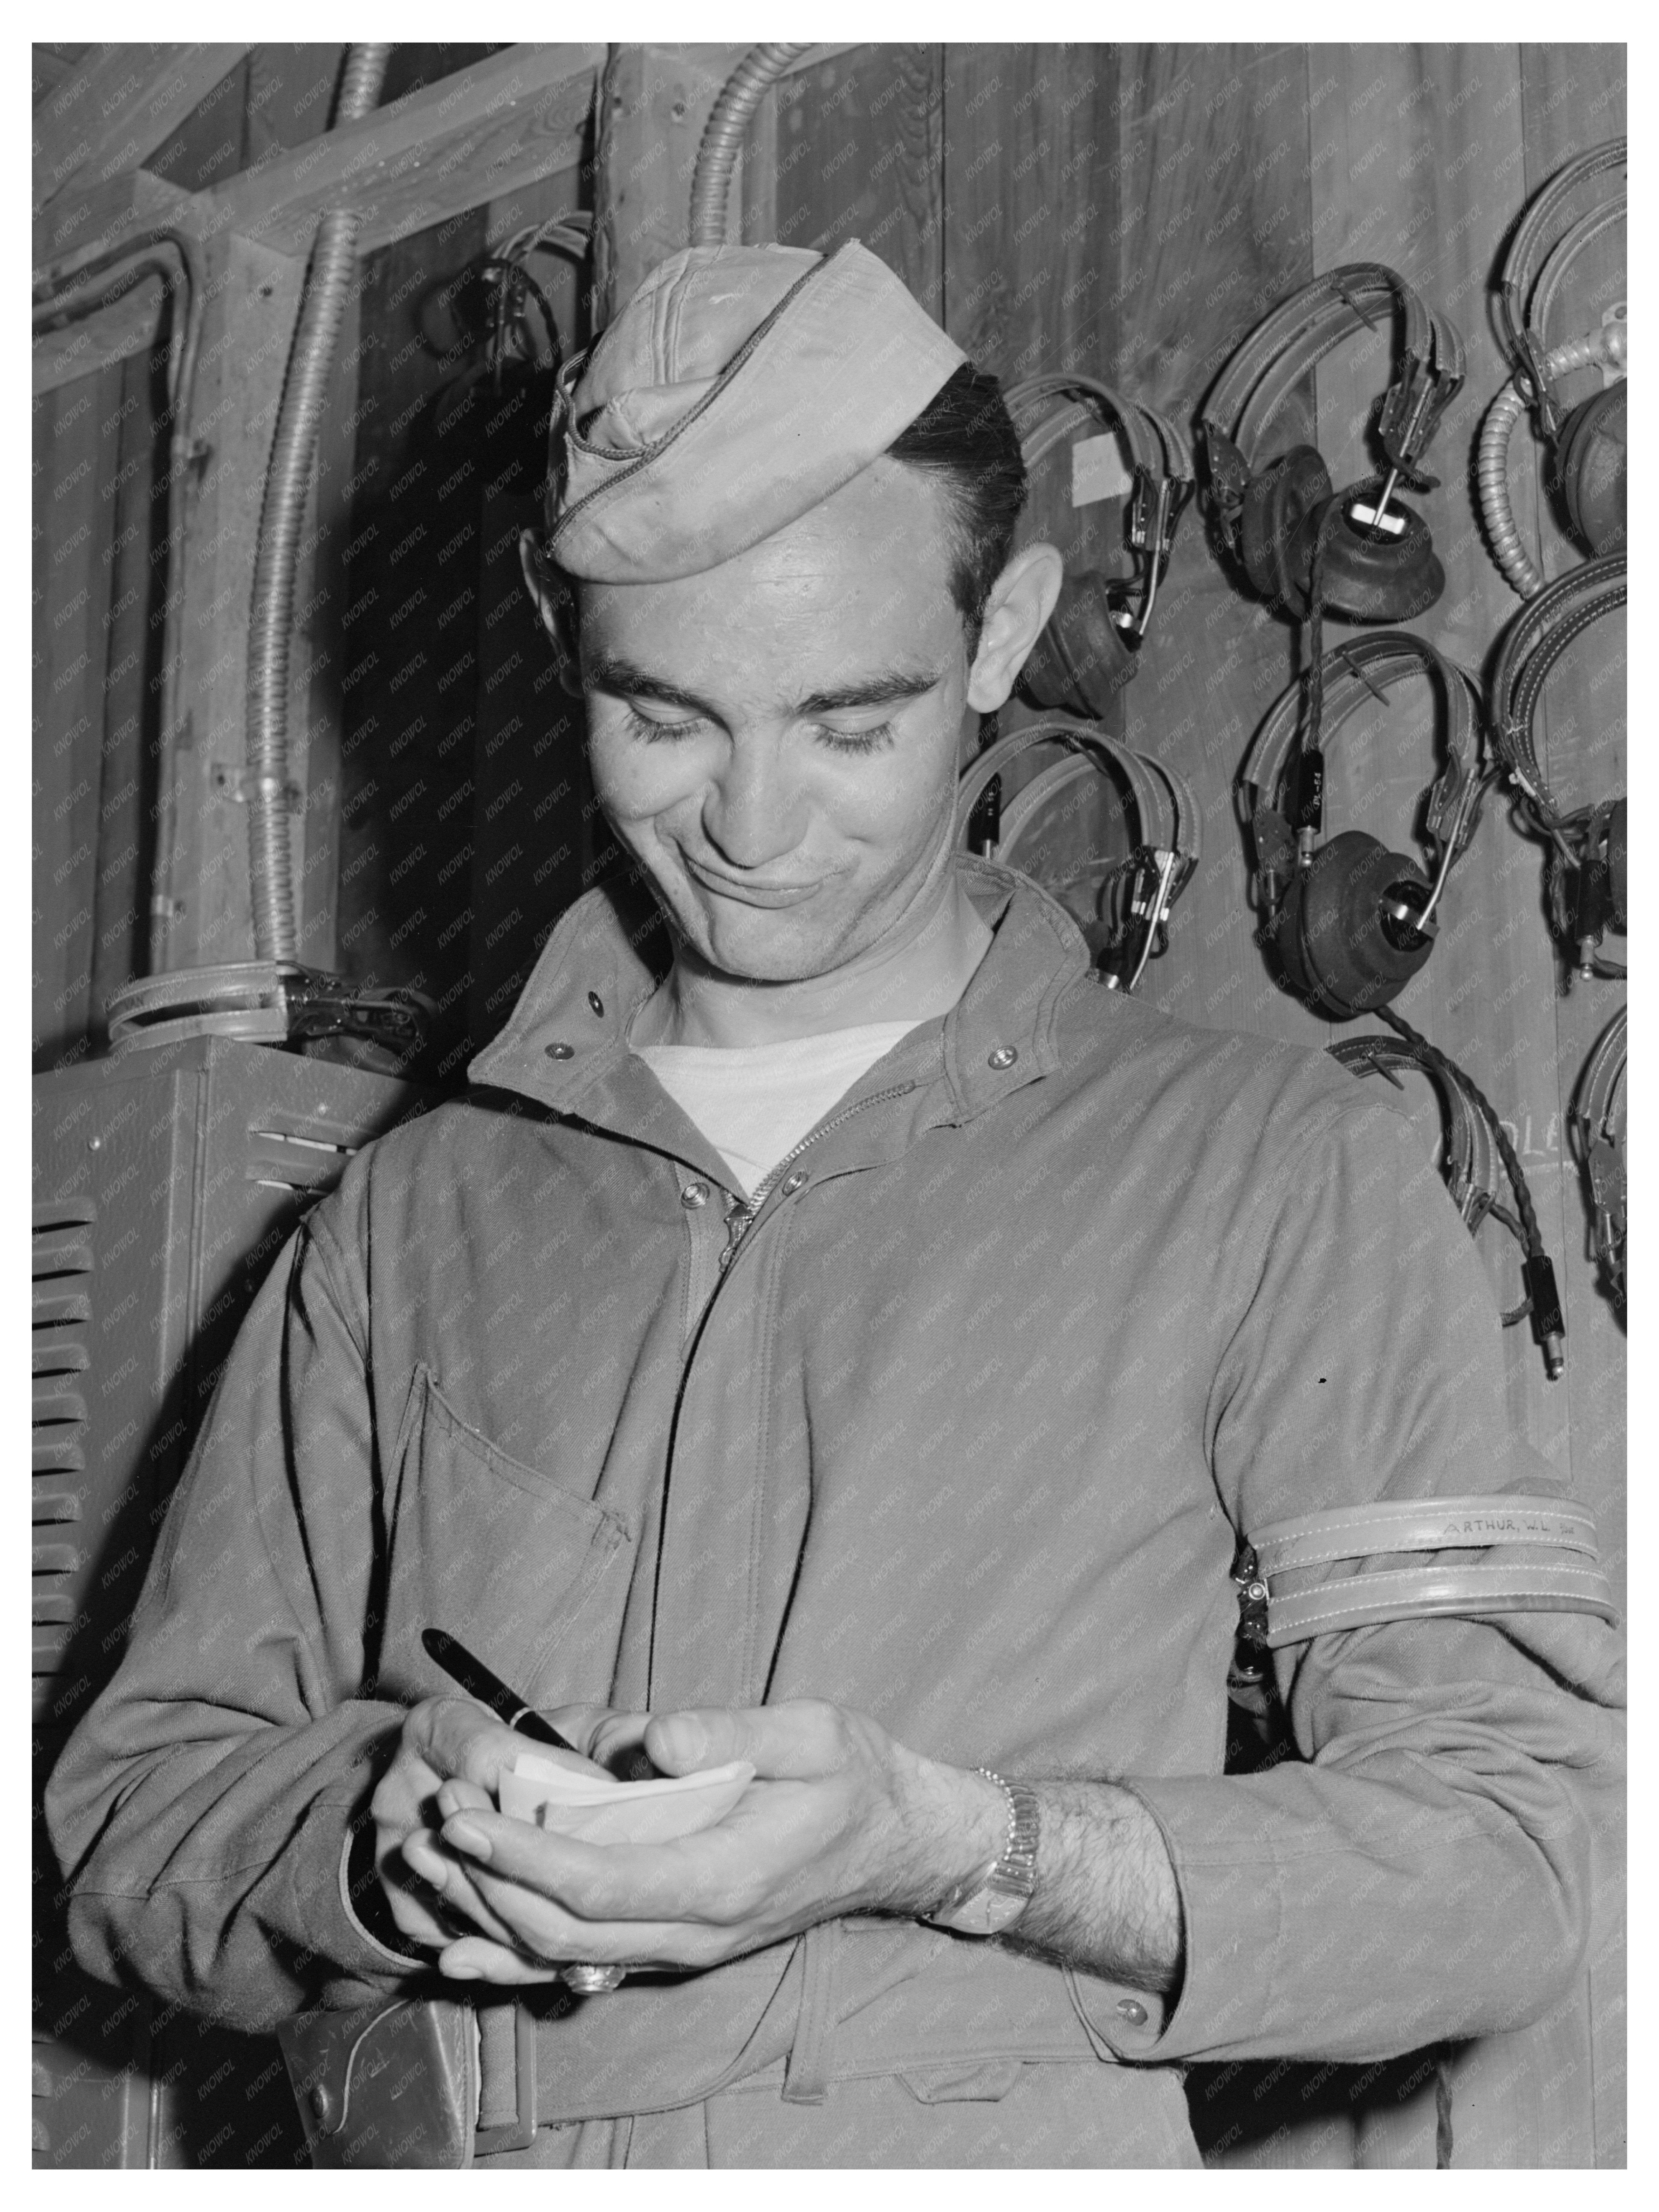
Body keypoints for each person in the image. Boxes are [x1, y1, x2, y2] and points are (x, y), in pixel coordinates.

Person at [48, 241, 1622, 2170]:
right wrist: (377, 1837)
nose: (756, 828)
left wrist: (962, 1848)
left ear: (1002, 629)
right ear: (562, 641)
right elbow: (134, 1827)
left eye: (852, 724)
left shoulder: (1270, 1170)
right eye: (667, 719)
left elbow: (1507, 1865)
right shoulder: (405, 1223)